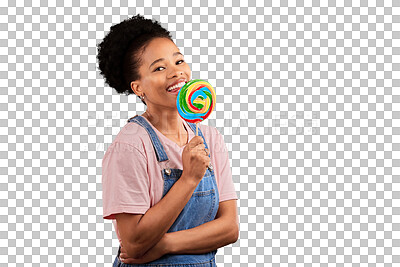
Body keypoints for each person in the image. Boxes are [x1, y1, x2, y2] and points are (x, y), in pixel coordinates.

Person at [97, 14, 239, 266]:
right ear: (138, 88)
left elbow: (229, 228)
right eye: (160, 68)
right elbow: (135, 243)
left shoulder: (210, 138)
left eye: (179, 61)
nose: (176, 72)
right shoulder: (130, 146)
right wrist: (189, 178)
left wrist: (165, 244)